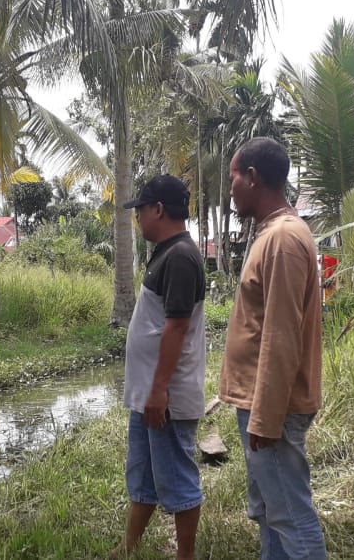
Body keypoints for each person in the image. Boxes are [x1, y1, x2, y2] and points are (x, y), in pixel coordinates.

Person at [219, 137, 326, 560]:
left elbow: (281, 336)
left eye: (233, 177)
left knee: (290, 516)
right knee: (269, 512)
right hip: (263, 406)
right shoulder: (272, 234)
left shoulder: (282, 239)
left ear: (252, 177)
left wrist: (264, 418)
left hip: (273, 410)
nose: (230, 188)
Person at [114, 175, 208, 560]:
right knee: (144, 477)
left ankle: (184, 556)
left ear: (157, 209)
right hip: (149, 395)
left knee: (177, 481)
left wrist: (158, 390)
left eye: (140, 209)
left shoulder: (182, 256)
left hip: (165, 396)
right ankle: (127, 547)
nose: (137, 218)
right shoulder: (167, 252)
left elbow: (177, 326)